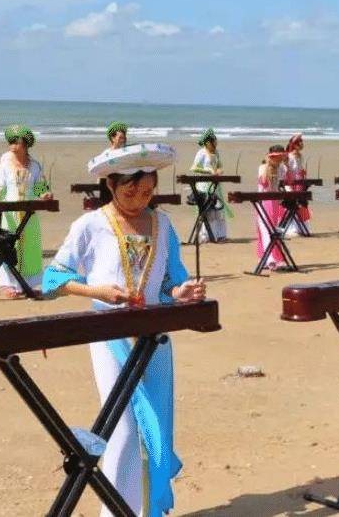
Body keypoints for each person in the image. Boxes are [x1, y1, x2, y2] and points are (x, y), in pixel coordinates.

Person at [42, 143, 205, 517]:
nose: (138, 200)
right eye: (130, 191)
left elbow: (171, 282)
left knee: (155, 426)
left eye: (146, 192)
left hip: (154, 339)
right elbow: (52, 279)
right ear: (111, 184)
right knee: (123, 428)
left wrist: (182, 292)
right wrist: (96, 291)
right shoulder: (90, 225)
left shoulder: (163, 224)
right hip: (109, 337)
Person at [0, 125, 53, 299]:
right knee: (9, 247)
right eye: (10, 141)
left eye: (16, 141)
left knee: (30, 248)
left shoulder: (35, 165)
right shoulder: (5, 160)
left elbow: (40, 187)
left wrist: (45, 194)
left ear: (25, 144)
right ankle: (8, 284)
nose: (11, 145)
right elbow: (1, 185)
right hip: (10, 212)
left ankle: (28, 285)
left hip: (29, 213)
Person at [189, 128, 231, 243]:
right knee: (207, 210)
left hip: (215, 185)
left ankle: (220, 235)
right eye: (214, 141)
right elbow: (194, 168)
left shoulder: (216, 152)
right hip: (204, 185)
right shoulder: (201, 153)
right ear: (208, 142)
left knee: (219, 209)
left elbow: (220, 165)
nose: (216, 143)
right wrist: (208, 171)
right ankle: (206, 236)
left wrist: (219, 170)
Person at [254, 145, 290, 271]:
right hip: (264, 201)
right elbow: (264, 183)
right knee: (265, 229)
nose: (280, 159)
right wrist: (269, 165)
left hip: (275, 201)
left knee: (274, 229)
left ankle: (273, 257)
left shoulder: (282, 168)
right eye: (278, 156)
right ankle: (269, 259)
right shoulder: (263, 167)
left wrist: (285, 164)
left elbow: (285, 180)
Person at [283, 133, 312, 237]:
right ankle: (292, 227)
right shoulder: (289, 156)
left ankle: (301, 227)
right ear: (294, 145)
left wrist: (302, 172)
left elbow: (299, 168)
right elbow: (287, 171)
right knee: (294, 204)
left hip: (300, 182)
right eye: (299, 142)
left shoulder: (300, 156)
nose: (301, 144)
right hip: (292, 183)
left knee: (301, 204)